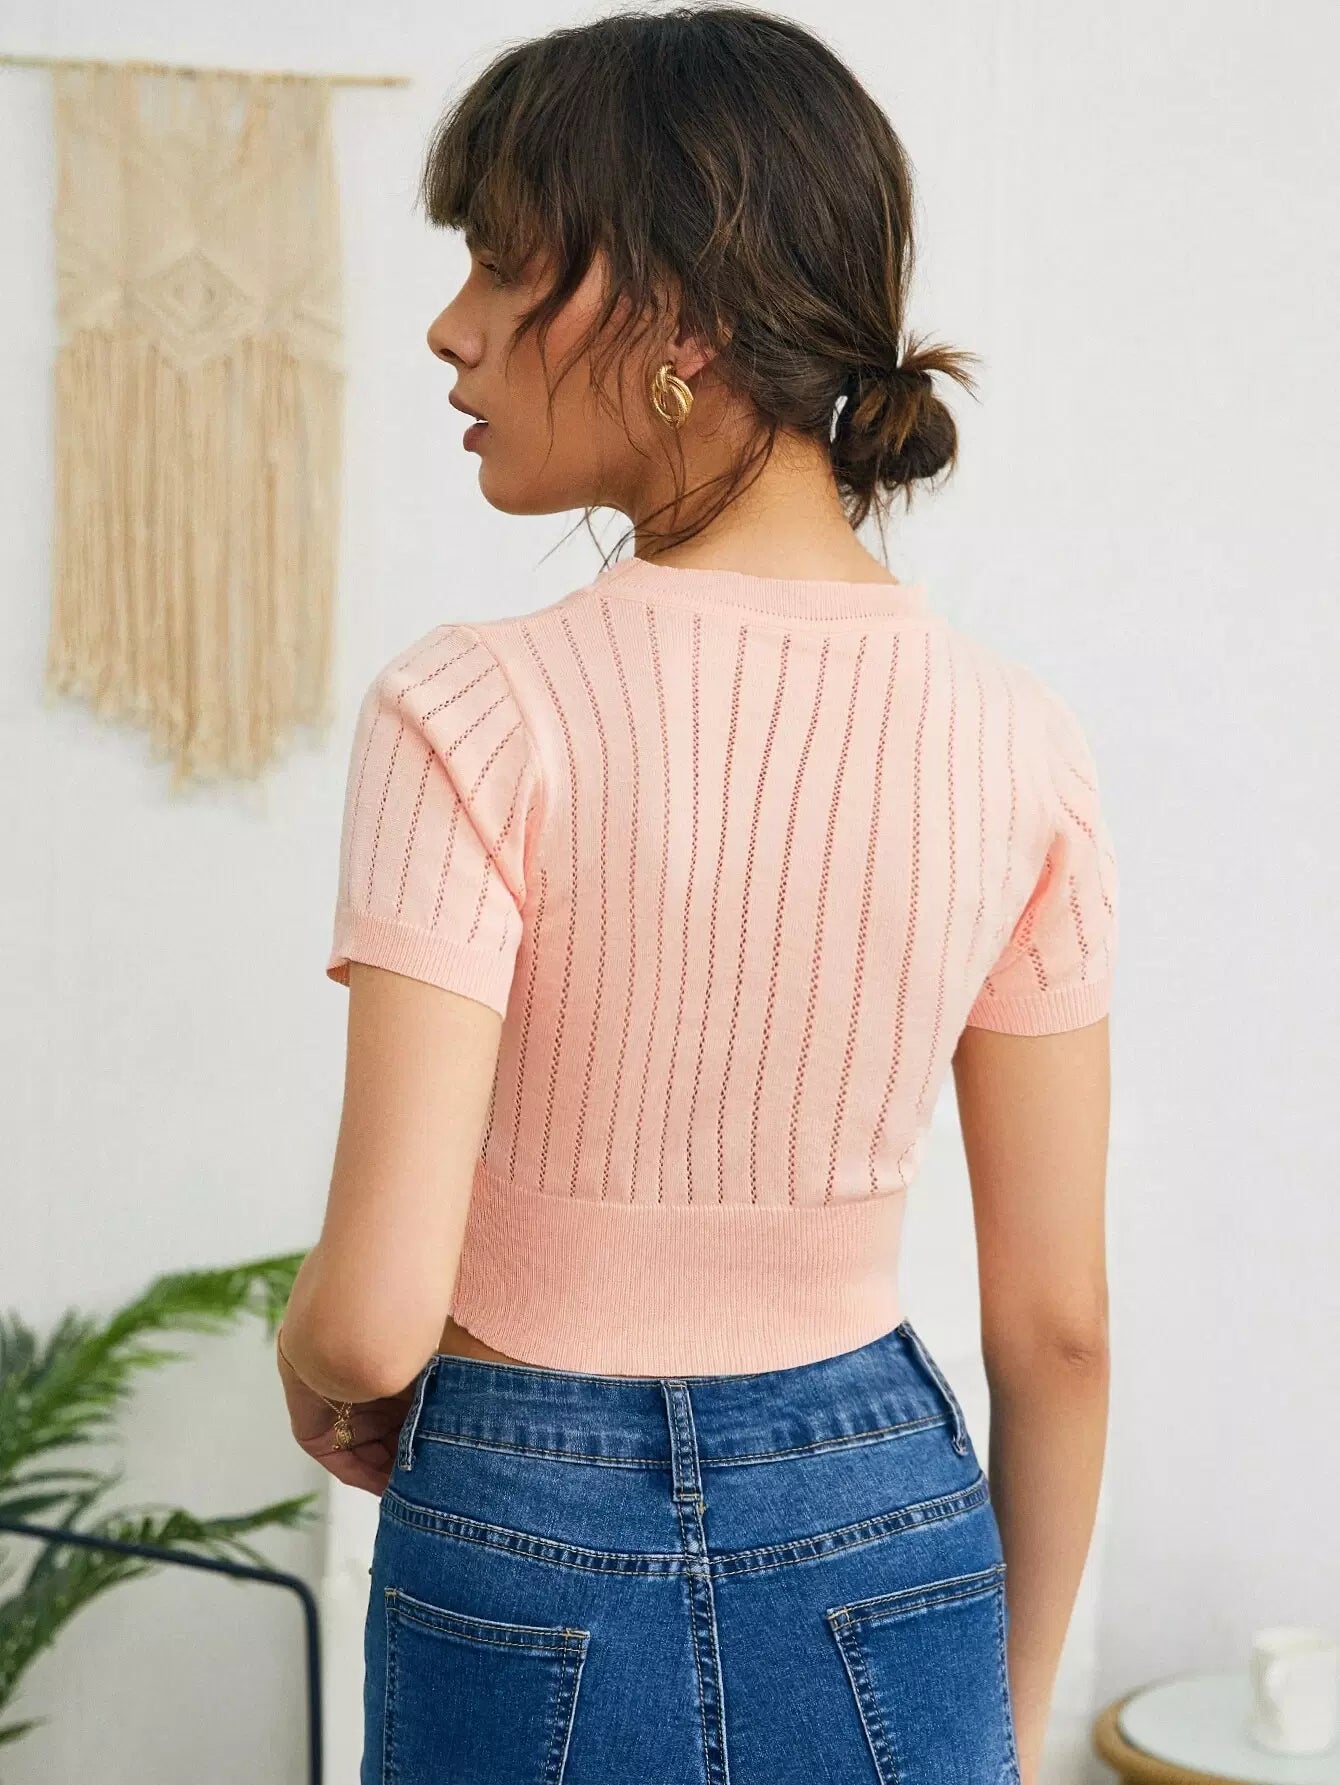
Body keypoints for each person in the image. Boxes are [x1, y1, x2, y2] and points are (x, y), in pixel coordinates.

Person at [274, 7, 1117, 1782]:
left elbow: (368, 1318)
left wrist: (311, 1345)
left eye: (505, 265)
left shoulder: (471, 709)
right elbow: (1059, 1327)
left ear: (680, 321)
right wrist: (1009, 1713)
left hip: (522, 1514)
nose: (450, 325)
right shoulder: (1021, 741)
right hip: (887, 1516)